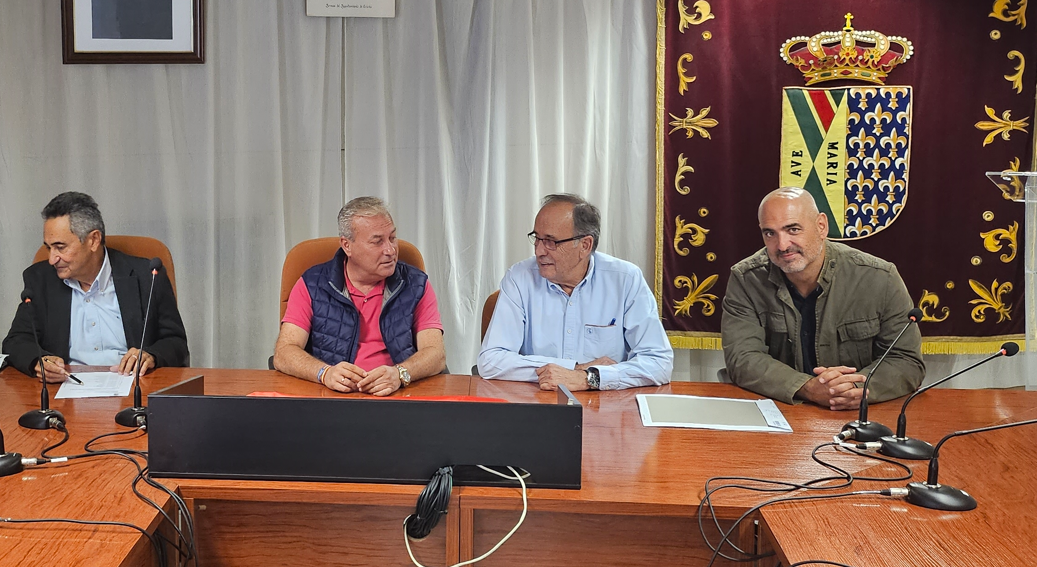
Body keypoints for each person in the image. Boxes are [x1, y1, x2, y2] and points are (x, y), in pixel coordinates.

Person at [721, 187, 924, 409]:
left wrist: (855, 389)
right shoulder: (745, 279)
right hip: (782, 409)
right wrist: (807, 387)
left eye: (793, 229)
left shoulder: (880, 278)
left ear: (821, 226)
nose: (782, 245)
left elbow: (906, 361)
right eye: (770, 233)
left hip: (859, 413)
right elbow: (743, 359)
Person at [478, 194, 673, 391]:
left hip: (605, 407)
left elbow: (659, 362)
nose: (539, 251)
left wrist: (590, 378)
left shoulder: (625, 280)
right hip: (540, 402)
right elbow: (490, 361)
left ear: (585, 245)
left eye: (550, 242)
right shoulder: (519, 278)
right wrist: (574, 369)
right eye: (537, 238)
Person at [3, 191, 188, 383]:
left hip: (134, 388)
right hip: (65, 391)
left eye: (60, 247)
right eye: (49, 247)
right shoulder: (40, 280)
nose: (52, 259)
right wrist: (38, 360)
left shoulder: (147, 276)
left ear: (93, 240)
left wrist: (151, 356)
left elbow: (176, 343)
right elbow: (16, 341)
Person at [274, 197, 446, 396]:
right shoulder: (312, 284)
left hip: (397, 397)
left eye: (392, 238)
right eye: (377, 241)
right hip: (332, 398)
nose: (390, 250)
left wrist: (400, 373)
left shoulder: (416, 284)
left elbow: (436, 353)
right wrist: (324, 373)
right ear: (347, 246)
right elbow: (284, 353)